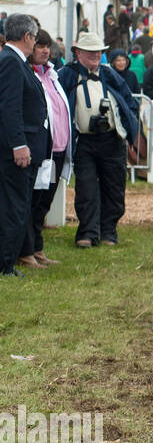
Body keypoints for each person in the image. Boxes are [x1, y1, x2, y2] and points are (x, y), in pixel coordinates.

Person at [56, 31, 139, 247]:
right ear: (78, 53)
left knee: (114, 186)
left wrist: (127, 126)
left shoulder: (109, 74)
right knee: (86, 187)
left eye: (98, 52)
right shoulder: (67, 74)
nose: (95, 56)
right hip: (84, 141)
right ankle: (87, 232)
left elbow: (129, 101)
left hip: (111, 139)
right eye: (90, 52)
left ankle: (109, 231)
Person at [0, 15, 50, 277]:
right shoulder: (10, 61)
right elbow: (10, 107)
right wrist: (19, 144)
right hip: (14, 149)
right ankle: (5, 264)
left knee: (17, 204)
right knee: (14, 206)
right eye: (35, 37)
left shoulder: (14, 61)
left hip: (23, 144)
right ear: (28, 37)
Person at [23, 30, 71, 268]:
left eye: (47, 46)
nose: (44, 50)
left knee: (44, 203)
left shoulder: (52, 75)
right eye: (39, 46)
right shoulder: (29, 75)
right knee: (34, 201)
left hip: (58, 151)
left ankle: (37, 248)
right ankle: (27, 251)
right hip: (42, 151)